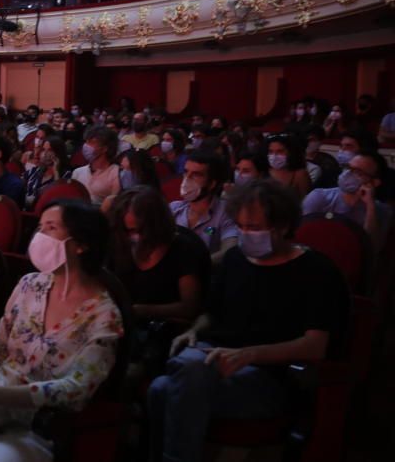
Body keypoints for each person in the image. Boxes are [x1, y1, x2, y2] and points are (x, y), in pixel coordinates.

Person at [148, 180, 349, 462]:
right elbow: (211, 313)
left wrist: (249, 354)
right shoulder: (235, 259)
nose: (244, 235)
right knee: (162, 387)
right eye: (240, 227)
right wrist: (193, 331)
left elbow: (315, 345)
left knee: (179, 378)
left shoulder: (317, 271)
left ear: (282, 226)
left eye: (254, 228)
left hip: (270, 376)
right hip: (215, 360)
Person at [0, 200, 123, 461]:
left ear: (81, 244)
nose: (39, 236)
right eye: (39, 227)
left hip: (39, 423)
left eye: (50, 228)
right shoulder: (30, 284)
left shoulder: (104, 316)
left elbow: (77, 389)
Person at [109, 187, 209, 373]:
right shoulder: (119, 244)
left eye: (137, 230)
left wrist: (142, 311)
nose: (132, 237)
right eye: (127, 230)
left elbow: (190, 307)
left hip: (165, 332)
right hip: (123, 329)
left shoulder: (184, 249)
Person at [302, 151, 391, 255]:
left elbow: (372, 247)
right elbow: (301, 235)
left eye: (357, 172)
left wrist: (370, 206)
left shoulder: (382, 210)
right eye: (348, 167)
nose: (347, 173)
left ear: (374, 182)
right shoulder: (319, 197)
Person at [169, 152, 239, 264]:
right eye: (186, 172)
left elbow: (229, 250)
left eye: (196, 175)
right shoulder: (173, 208)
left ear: (212, 184)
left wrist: (195, 267)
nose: (187, 179)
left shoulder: (226, 212)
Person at [71, 127, 120, 205]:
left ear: (104, 148)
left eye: (91, 142)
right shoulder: (78, 172)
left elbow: (115, 204)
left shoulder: (116, 172)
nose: (86, 146)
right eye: (86, 142)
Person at [266, 133, 311, 198]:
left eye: (280, 151)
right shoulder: (264, 170)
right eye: (271, 151)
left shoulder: (300, 175)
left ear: (291, 152)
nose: (274, 156)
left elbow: (307, 203)